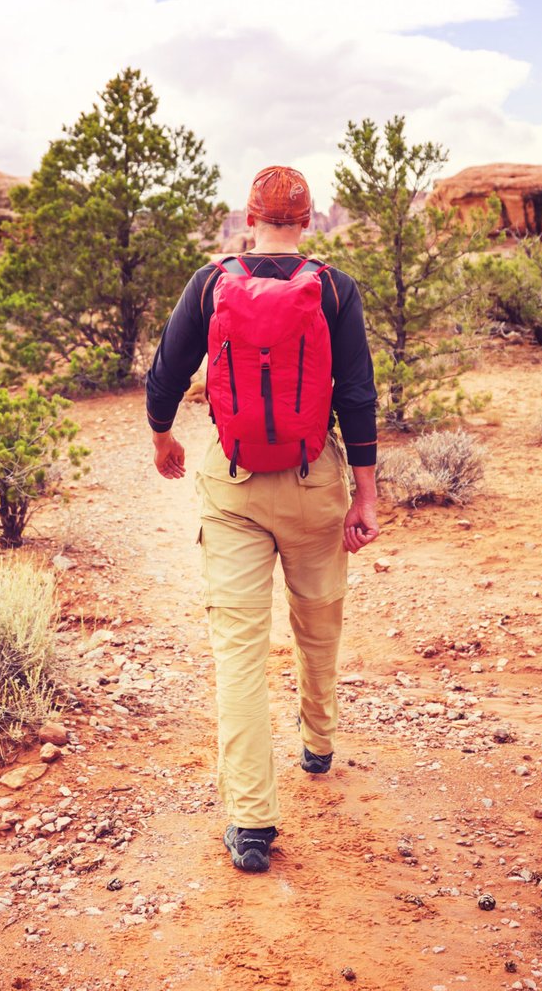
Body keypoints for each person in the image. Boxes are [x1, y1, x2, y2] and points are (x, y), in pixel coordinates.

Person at [145, 165, 380, 873]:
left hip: (234, 485)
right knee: (318, 618)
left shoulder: (211, 281)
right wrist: (365, 494)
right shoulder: (336, 288)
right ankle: (319, 742)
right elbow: (359, 396)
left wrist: (164, 436)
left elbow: (165, 372)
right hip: (313, 483)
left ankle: (250, 823)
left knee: (239, 654)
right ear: (306, 222)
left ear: (248, 218)